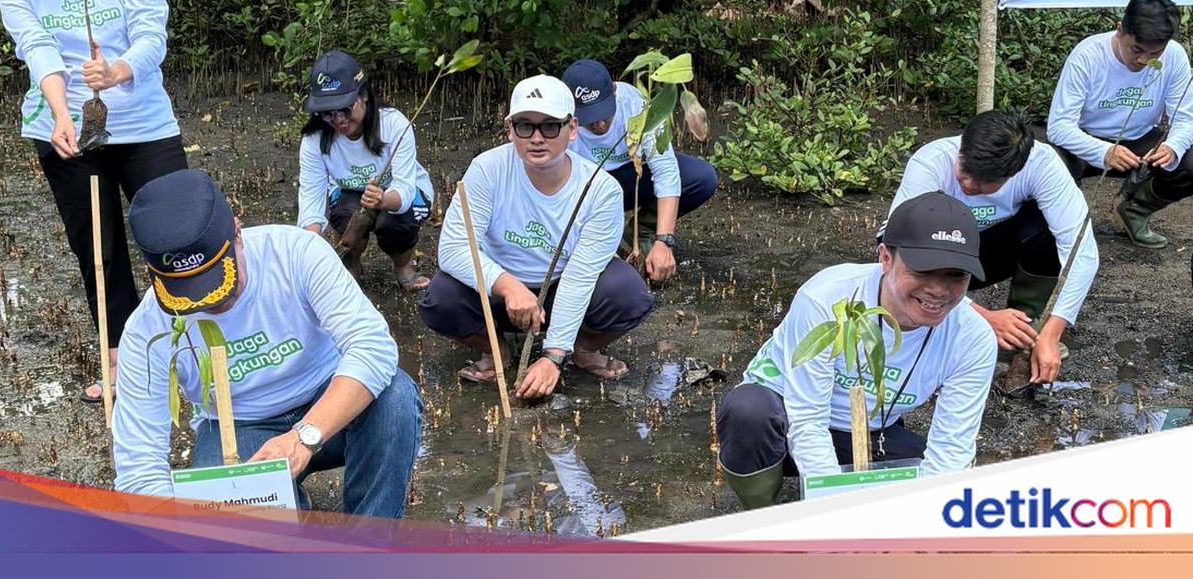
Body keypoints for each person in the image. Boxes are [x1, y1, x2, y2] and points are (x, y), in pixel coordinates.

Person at [112, 169, 422, 518]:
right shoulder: (147, 330)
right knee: (232, 525)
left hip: (328, 403)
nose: (211, 304)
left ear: (237, 231)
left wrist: (303, 435)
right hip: (240, 425)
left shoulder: (295, 253)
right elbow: (139, 467)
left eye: (221, 283)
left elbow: (373, 348)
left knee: (394, 397)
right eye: (190, 296)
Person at [0, 0, 187, 403]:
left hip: (143, 121)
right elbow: (36, 45)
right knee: (98, 249)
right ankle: (122, 357)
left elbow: (153, 33)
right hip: (64, 127)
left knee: (177, 234)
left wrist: (120, 70)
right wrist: (62, 111)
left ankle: (188, 348)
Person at [716, 192, 997, 509]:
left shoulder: (972, 338)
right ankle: (762, 513)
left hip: (868, 432)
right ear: (886, 258)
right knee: (748, 411)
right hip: (785, 421)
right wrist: (829, 509)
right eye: (922, 271)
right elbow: (807, 419)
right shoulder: (826, 299)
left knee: (940, 485)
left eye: (956, 275)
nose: (939, 290)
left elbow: (951, 449)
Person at [418, 74, 653, 397]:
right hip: (499, 292)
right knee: (440, 297)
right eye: (525, 126)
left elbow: (581, 275)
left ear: (572, 129)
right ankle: (496, 350)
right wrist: (508, 286)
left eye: (550, 126)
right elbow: (454, 248)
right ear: (510, 128)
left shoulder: (601, 190)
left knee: (627, 294)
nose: (537, 138)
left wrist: (553, 356)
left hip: (560, 286)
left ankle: (581, 348)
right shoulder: (487, 169)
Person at [887, 111, 1099, 385]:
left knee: (1045, 226)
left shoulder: (1042, 164)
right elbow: (894, 246)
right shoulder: (932, 161)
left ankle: (1026, 329)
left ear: (1013, 173)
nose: (968, 185)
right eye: (965, 171)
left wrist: (1052, 331)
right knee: (903, 260)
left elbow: (1082, 252)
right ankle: (934, 316)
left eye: (984, 182)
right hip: (938, 256)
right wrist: (984, 316)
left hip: (992, 253)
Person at [1047, 0, 1193, 249]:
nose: (1144, 60)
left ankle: (1134, 210)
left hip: (1140, 140)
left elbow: (1185, 118)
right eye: (1136, 49)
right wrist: (1103, 150)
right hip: (1085, 139)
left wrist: (1173, 146)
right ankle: (1069, 227)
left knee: (1190, 161)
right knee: (1049, 163)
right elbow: (1058, 127)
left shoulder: (1174, 56)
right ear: (1119, 29)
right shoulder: (1088, 55)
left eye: (1154, 54)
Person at [561, 59, 718, 282]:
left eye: (604, 115)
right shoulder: (558, 121)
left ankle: (641, 235)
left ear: (614, 91)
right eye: (589, 119)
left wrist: (665, 241)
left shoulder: (634, 102)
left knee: (701, 177)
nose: (599, 126)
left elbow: (666, 171)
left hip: (631, 177)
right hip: (587, 191)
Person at [297, 50, 434, 288]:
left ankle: (402, 266)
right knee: (344, 215)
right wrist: (309, 247)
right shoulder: (315, 139)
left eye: (345, 108)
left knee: (394, 224)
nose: (338, 119)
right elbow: (311, 195)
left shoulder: (394, 124)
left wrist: (382, 200)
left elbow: (403, 189)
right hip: (350, 192)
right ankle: (350, 264)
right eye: (327, 112)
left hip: (399, 194)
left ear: (364, 96)